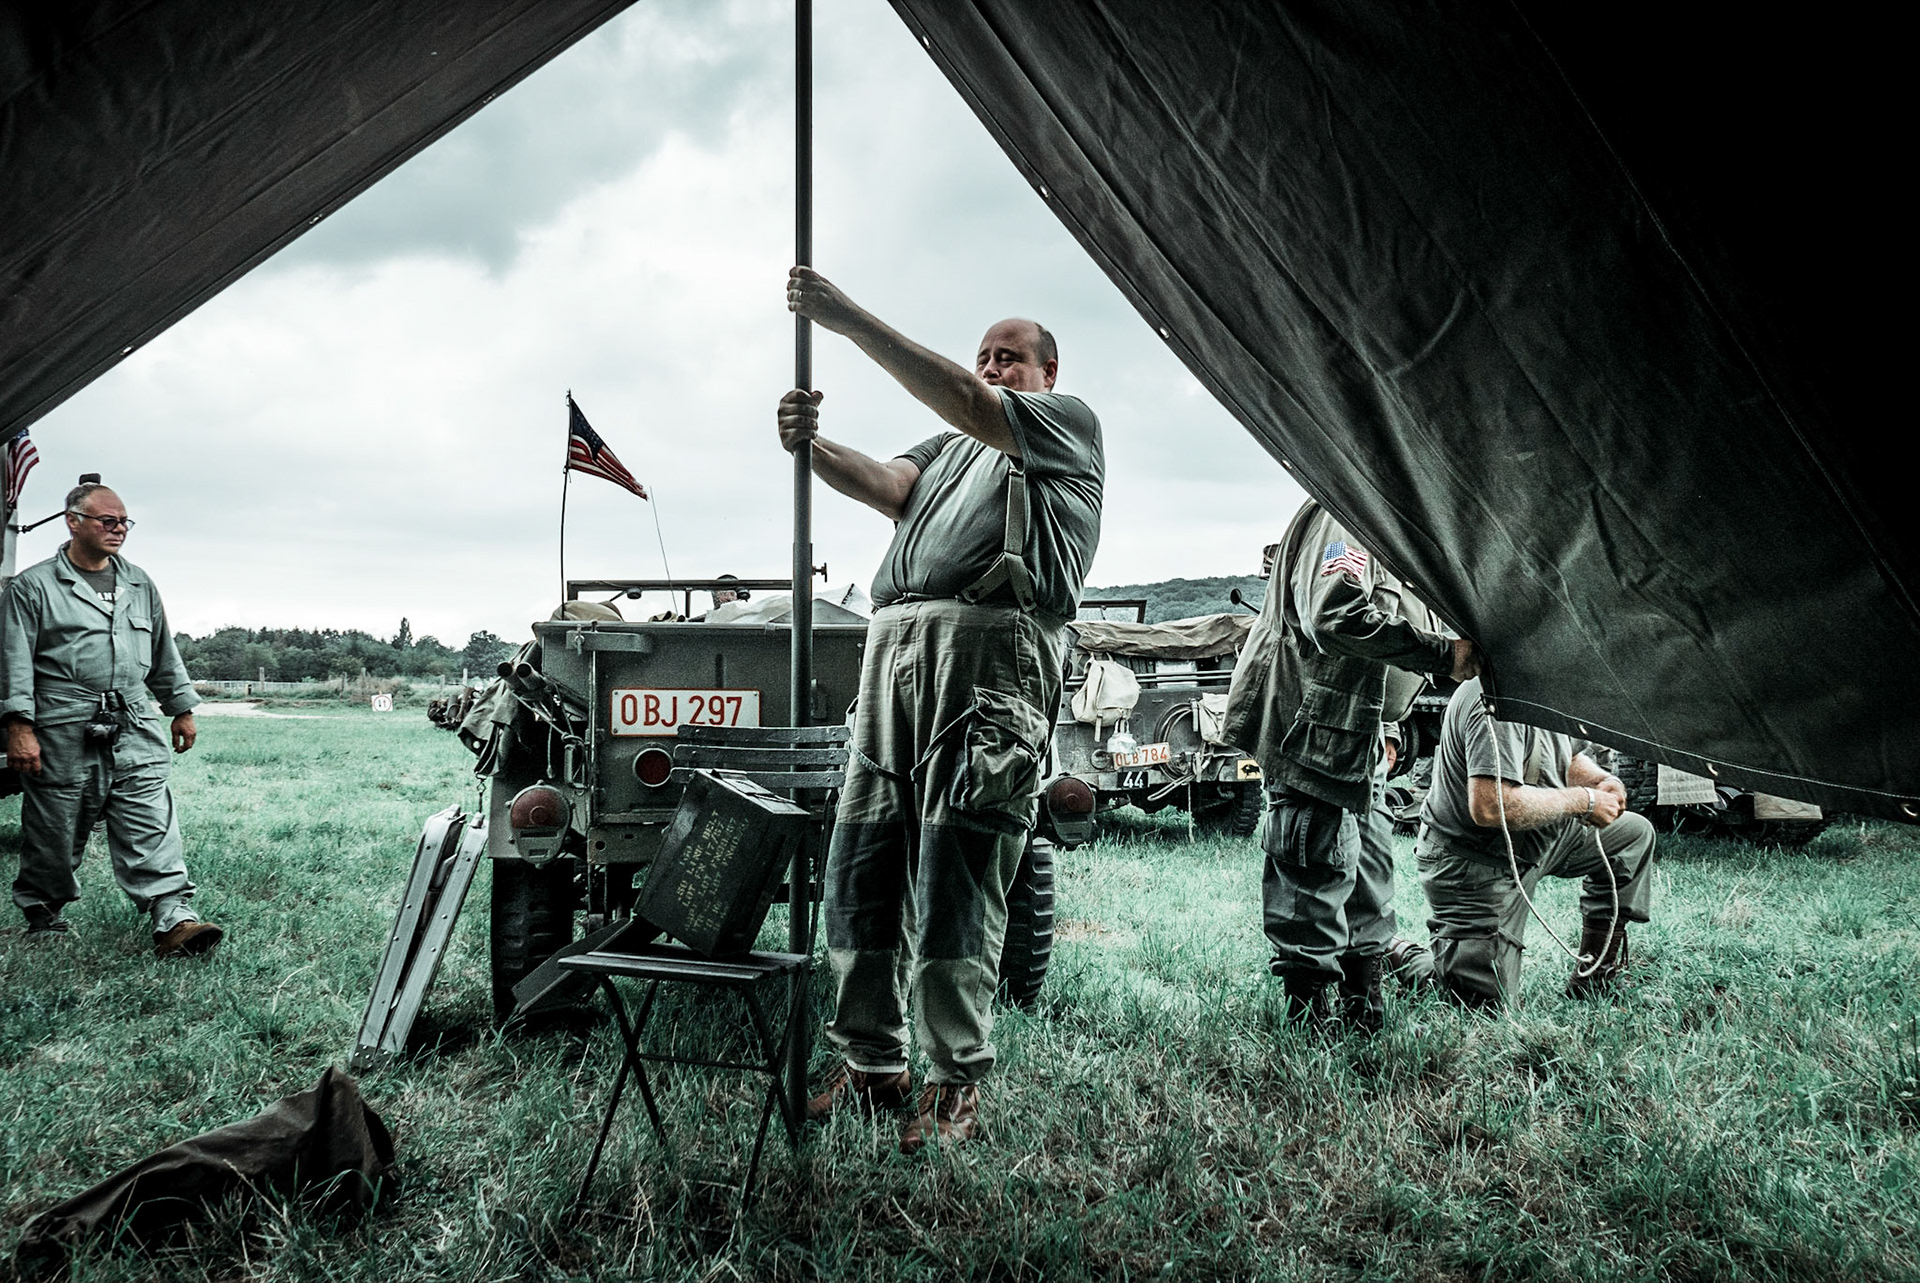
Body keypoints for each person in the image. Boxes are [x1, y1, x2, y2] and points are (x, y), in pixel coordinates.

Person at [778, 266, 1101, 1153]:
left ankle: (954, 1077)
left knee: (960, 869)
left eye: (1011, 357)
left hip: (989, 658)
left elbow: (966, 399)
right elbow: (889, 483)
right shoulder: (950, 446)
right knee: (862, 858)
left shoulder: (1064, 426)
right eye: (985, 355)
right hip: (894, 654)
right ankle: (871, 1059)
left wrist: (846, 319)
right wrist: (813, 445)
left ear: (1048, 373)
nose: (993, 367)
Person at [1221, 499, 1478, 1030]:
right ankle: (1309, 1018)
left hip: (1359, 725)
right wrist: (1442, 655)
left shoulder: (1393, 522)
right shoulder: (1347, 514)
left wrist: (1389, 723)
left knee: (1369, 865)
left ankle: (1364, 1006)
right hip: (1312, 722)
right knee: (1315, 856)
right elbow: (1333, 615)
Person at [2, 479, 221, 957]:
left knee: (149, 814)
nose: (119, 529)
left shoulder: (139, 583)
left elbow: (162, 650)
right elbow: (13, 661)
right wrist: (19, 726)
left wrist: (180, 709)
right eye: (108, 520)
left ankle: (173, 916)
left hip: (133, 720)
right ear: (73, 522)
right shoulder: (33, 587)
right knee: (56, 825)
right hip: (63, 724)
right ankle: (43, 910)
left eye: (124, 522)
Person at [1387, 677, 1655, 1007]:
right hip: (1476, 864)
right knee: (1482, 1005)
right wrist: (1584, 801)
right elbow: (1489, 806)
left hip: (1536, 840)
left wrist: (1601, 781)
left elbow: (1568, 756)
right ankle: (1397, 952)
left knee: (1632, 835)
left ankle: (1596, 976)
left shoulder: (1546, 684)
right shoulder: (1494, 698)